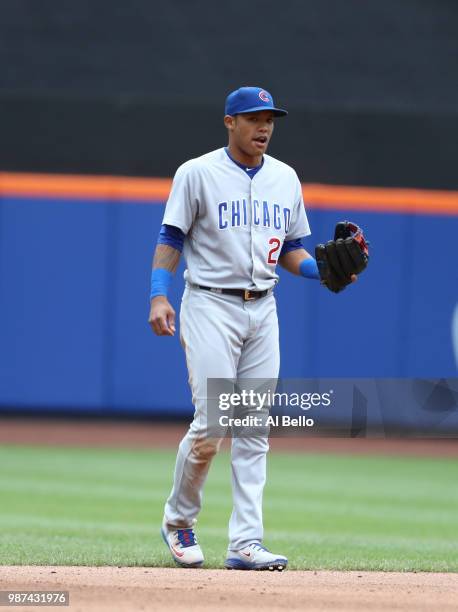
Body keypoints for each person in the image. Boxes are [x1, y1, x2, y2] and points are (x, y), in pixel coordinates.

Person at [149, 86, 337, 571]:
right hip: (210, 304)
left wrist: (324, 271)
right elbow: (171, 237)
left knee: (253, 428)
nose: (264, 127)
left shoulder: (285, 178)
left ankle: (246, 542)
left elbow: (294, 248)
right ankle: (178, 520)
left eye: (270, 118)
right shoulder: (197, 173)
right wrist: (157, 294)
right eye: (254, 118)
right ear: (230, 122)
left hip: (263, 308)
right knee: (213, 424)